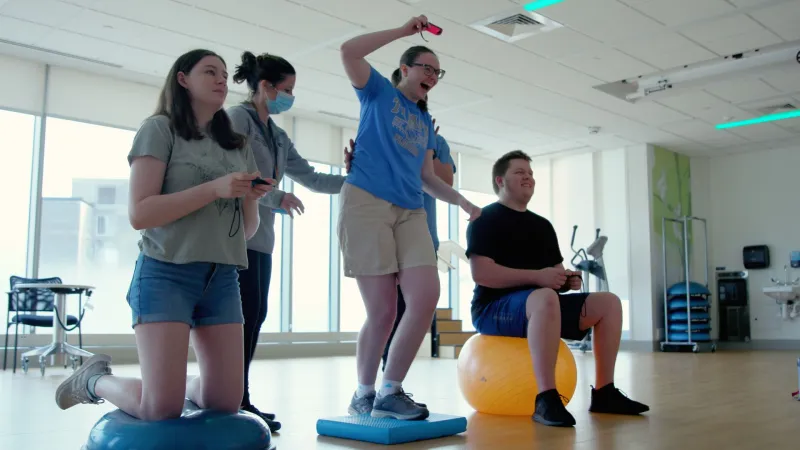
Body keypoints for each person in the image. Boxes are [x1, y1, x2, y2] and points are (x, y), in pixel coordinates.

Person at [53, 49, 274, 421]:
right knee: (161, 408)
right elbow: (140, 213)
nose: (222, 80)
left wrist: (249, 200)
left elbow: (246, 231)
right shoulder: (159, 129)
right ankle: (95, 380)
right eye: (210, 72)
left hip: (222, 278)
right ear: (183, 79)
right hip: (166, 272)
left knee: (225, 402)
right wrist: (215, 190)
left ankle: (173, 383)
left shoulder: (238, 145)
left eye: (224, 74)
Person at [338, 15, 481, 421]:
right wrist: (403, 31)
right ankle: (364, 392)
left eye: (438, 72)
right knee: (382, 311)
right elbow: (349, 51)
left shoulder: (423, 123)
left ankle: (390, 390)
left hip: (411, 210)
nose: (433, 76)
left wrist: (464, 204)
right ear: (405, 68)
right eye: (426, 68)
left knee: (424, 296)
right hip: (366, 202)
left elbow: (426, 179)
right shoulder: (378, 93)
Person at [465, 150, 649, 428]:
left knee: (609, 302)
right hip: (493, 308)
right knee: (543, 297)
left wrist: (567, 281)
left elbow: (554, 276)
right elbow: (482, 274)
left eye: (531, 173)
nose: (528, 177)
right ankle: (547, 398)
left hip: (540, 304)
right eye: (520, 172)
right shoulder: (484, 219)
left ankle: (604, 392)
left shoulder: (542, 226)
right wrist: (540, 279)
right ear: (500, 181)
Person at [228, 51, 346, 431]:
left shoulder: (278, 136)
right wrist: (278, 197)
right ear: (264, 86)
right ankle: (233, 399)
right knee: (237, 320)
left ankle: (240, 397)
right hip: (233, 236)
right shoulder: (235, 119)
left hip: (262, 238)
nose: (290, 97)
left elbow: (312, 178)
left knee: (255, 317)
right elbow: (232, 171)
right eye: (287, 90)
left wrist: (359, 177)